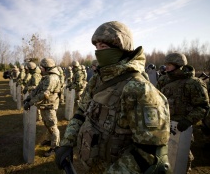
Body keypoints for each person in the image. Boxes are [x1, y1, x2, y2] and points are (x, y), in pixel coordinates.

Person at [55, 21, 171, 173]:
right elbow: (81, 112)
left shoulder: (140, 90)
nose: (98, 52)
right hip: (90, 164)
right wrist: (67, 142)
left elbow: (150, 155)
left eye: (103, 47)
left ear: (122, 47)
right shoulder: (98, 80)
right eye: (96, 47)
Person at [160, 52, 209, 173]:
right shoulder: (163, 80)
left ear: (179, 65)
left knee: (181, 158)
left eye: (169, 65)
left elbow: (203, 107)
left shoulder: (194, 83)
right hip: (163, 125)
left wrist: (188, 120)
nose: (166, 67)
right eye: (166, 64)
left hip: (182, 128)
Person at [23, 58, 61, 157]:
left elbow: (43, 94)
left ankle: (55, 147)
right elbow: (37, 89)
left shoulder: (52, 78)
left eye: (42, 67)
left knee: (52, 126)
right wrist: (29, 98)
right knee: (47, 124)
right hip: (45, 105)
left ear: (47, 68)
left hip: (50, 105)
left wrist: (31, 103)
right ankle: (49, 140)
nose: (40, 68)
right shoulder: (46, 77)